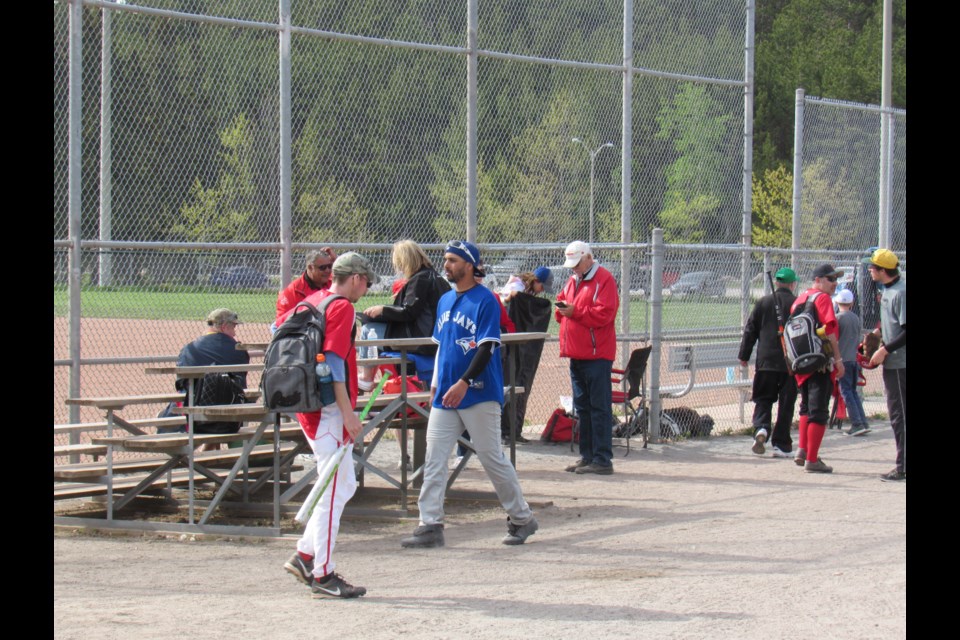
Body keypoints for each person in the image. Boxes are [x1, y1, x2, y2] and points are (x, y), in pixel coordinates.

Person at [400, 241, 539, 548]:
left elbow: (488, 346)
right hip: (445, 394)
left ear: (469, 265)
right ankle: (430, 524)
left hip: (478, 392)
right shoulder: (446, 300)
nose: (446, 265)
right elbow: (443, 348)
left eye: (452, 260)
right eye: (446, 260)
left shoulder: (485, 300)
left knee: (491, 458)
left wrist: (463, 382)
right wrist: (437, 380)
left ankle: (522, 517)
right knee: (435, 460)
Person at [282, 252, 379, 599]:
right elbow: (333, 363)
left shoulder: (311, 300)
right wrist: (348, 413)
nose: (366, 289)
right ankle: (322, 574)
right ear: (354, 278)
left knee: (344, 484)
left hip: (309, 406)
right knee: (334, 488)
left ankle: (305, 555)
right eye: (366, 282)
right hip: (327, 411)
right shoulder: (341, 307)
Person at [556, 241, 619, 475]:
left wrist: (575, 312)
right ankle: (588, 456)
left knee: (599, 407)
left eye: (577, 264)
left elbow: (605, 314)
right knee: (583, 408)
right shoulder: (574, 280)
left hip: (597, 355)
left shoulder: (604, 279)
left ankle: (602, 459)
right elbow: (562, 299)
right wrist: (561, 309)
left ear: (588, 258)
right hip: (577, 353)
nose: (573, 269)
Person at [358, 240, 450, 390]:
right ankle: (375, 383)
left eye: (399, 263)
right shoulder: (436, 277)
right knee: (374, 328)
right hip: (434, 336)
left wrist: (383, 310)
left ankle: (367, 377)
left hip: (421, 339)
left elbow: (409, 312)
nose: (399, 268)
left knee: (369, 329)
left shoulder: (420, 279)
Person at [159, 309, 250, 445]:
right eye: (233, 327)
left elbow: (181, 384)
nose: (235, 332)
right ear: (224, 327)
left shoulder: (190, 348)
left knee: (164, 416)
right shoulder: (239, 349)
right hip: (232, 415)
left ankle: (173, 460)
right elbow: (240, 382)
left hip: (196, 413)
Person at [738, 267, 798, 458]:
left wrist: (744, 355)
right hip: (790, 361)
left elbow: (750, 330)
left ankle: (761, 428)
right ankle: (782, 444)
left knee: (763, 398)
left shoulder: (763, 302)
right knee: (786, 402)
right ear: (792, 284)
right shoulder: (797, 304)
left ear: (777, 282)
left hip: (766, 361)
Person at [791, 265, 845, 473]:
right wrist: (838, 360)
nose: (835, 283)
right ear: (819, 280)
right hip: (819, 361)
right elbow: (829, 332)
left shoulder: (800, 299)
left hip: (802, 361)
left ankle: (802, 450)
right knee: (818, 412)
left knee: (806, 407)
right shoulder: (822, 299)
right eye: (831, 279)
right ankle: (812, 459)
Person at [865, 248, 906, 482]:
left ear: (883, 270)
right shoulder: (888, 289)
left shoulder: (901, 292)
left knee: (899, 414)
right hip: (894, 361)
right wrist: (877, 334)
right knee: (897, 414)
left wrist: (884, 349)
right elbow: (892, 323)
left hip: (900, 363)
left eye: (873, 267)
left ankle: (902, 467)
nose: (870, 270)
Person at [833, 288, 871, 437]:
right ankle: (863, 421)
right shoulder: (855, 318)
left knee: (846, 391)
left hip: (843, 360)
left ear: (837, 302)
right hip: (854, 359)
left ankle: (857, 423)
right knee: (853, 391)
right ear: (852, 302)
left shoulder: (837, 318)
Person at [274, 248, 337, 328]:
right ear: (310, 267)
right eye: (323, 267)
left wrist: (337, 261)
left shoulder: (333, 283)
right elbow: (281, 324)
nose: (328, 270)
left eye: (330, 266)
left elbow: (353, 281)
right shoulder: (293, 291)